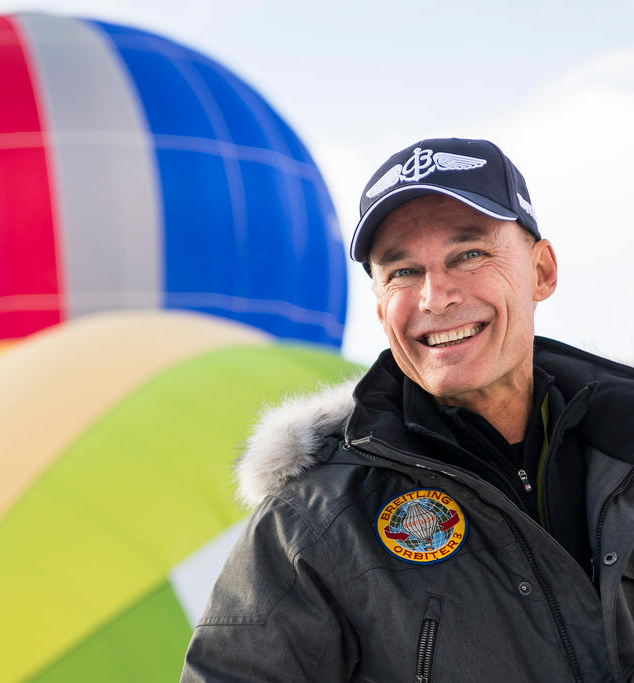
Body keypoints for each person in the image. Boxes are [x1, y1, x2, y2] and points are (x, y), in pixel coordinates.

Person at [180, 138, 634, 682]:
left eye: (469, 254)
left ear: (542, 271)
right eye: (402, 272)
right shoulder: (314, 522)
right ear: (378, 305)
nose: (435, 296)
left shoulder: (623, 449)